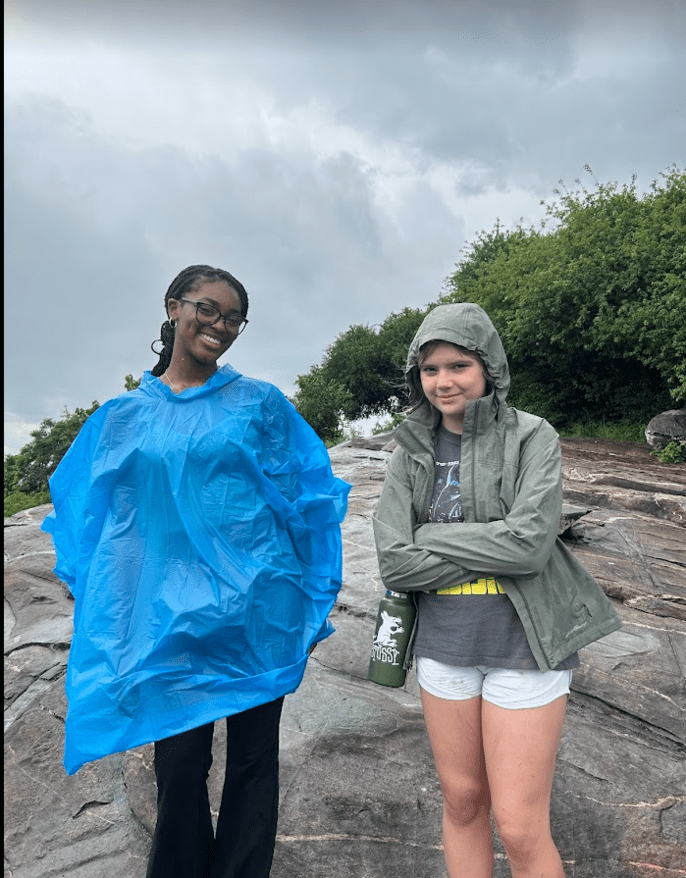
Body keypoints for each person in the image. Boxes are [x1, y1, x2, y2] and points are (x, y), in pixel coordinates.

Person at [42, 264, 350, 878]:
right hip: (168, 622)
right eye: (209, 309)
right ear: (174, 307)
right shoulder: (121, 418)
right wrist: (111, 603)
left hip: (259, 610)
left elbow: (308, 495)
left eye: (234, 318)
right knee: (178, 767)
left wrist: (311, 590)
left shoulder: (259, 403)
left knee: (254, 762)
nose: (221, 325)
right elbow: (88, 516)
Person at [372, 302, 621, 878]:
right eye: (429, 369)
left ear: (488, 367)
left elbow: (530, 547)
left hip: (524, 647)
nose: (443, 381)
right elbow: (394, 564)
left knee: (518, 823)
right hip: (443, 646)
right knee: (462, 804)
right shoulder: (410, 449)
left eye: (457, 364)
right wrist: (488, 543)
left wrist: (430, 533)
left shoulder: (534, 436)